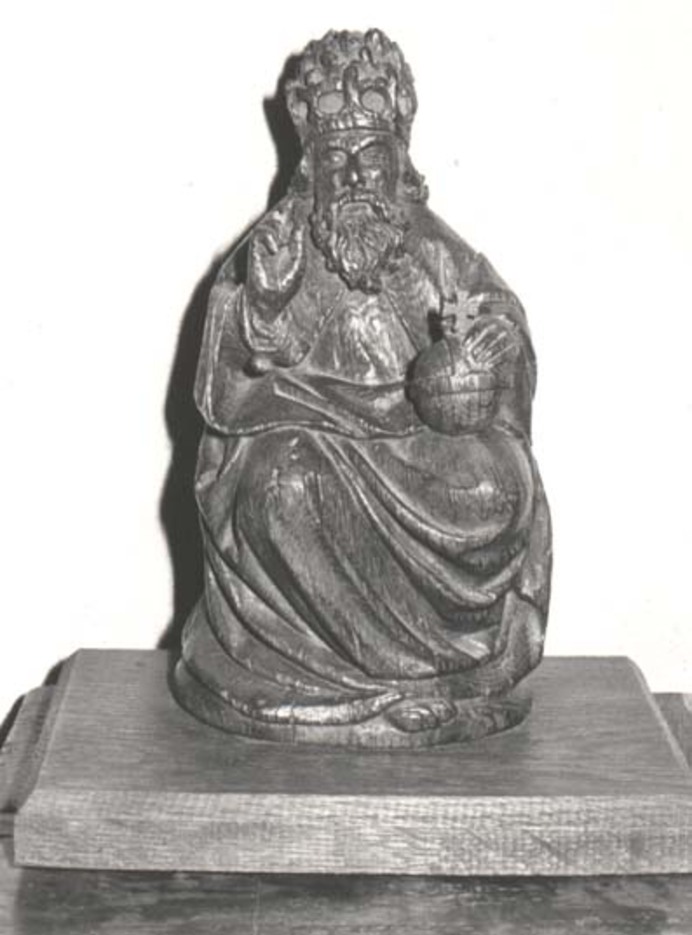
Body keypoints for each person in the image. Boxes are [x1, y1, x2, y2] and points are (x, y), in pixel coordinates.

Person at [171, 29, 552, 747]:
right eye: (334, 160)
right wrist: (265, 305)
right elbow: (227, 383)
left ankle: (439, 669)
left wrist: (494, 344)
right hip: (309, 442)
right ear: (309, 166)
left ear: (398, 162)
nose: (352, 178)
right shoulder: (281, 245)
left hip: (418, 444)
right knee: (276, 489)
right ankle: (339, 676)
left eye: (370, 158)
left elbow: (494, 311)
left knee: (500, 487)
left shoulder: (429, 244)